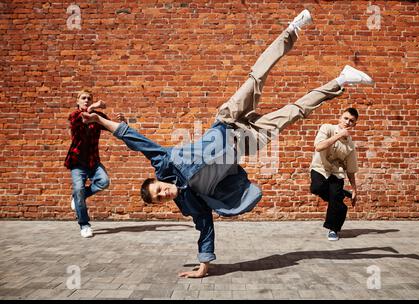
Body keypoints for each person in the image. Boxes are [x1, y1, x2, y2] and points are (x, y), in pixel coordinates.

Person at [81, 9, 372, 277]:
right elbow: (205, 225)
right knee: (294, 112)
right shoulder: (188, 202)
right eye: (159, 199)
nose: (163, 194)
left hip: (227, 121)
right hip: (246, 142)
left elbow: (136, 140)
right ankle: (341, 80)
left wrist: (100, 122)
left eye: (158, 190)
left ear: (158, 181)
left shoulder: (164, 164)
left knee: (257, 77)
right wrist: (204, 265)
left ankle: (292, 30)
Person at [64, 89, 125, 238]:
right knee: (78, 189)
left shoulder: (97, 117)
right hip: (77, 162)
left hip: (93, 161)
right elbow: (83, 118)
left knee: (104, 181)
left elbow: (113, 127)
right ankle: (84, 224)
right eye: (83, 98)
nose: (86, 101)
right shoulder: (74, 115)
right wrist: (93, 108)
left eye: (89, 99)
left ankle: (79, 197)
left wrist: (123, 121)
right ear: (77, 101)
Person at [310, 106, 365, 241]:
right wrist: (339, 135)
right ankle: (340, 195)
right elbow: (319, 147)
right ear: (340, 117)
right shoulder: (327, 128)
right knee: (316, 188)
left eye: (351, 121)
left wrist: (354, 190)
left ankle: (333, 229)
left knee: (336, 202)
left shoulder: (350, 145)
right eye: (345, 118)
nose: (347, 122)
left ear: (354, 124)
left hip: (337, 173)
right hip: (320, 168)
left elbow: (351, 169)